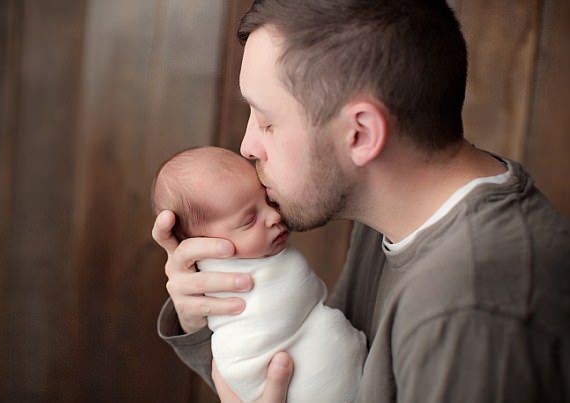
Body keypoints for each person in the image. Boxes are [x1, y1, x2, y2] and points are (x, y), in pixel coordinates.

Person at [153, 1, 570, 402]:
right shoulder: (392, 213)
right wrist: (207, 317)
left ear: (360, 134)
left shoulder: (474, 308)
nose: (248, 146)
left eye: (267, 121)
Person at [151, 146, 366, 402]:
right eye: (249, 220)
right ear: (201, 244)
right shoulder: (217, 281)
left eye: (267, 200)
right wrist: (192, 326)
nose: (274, 216)